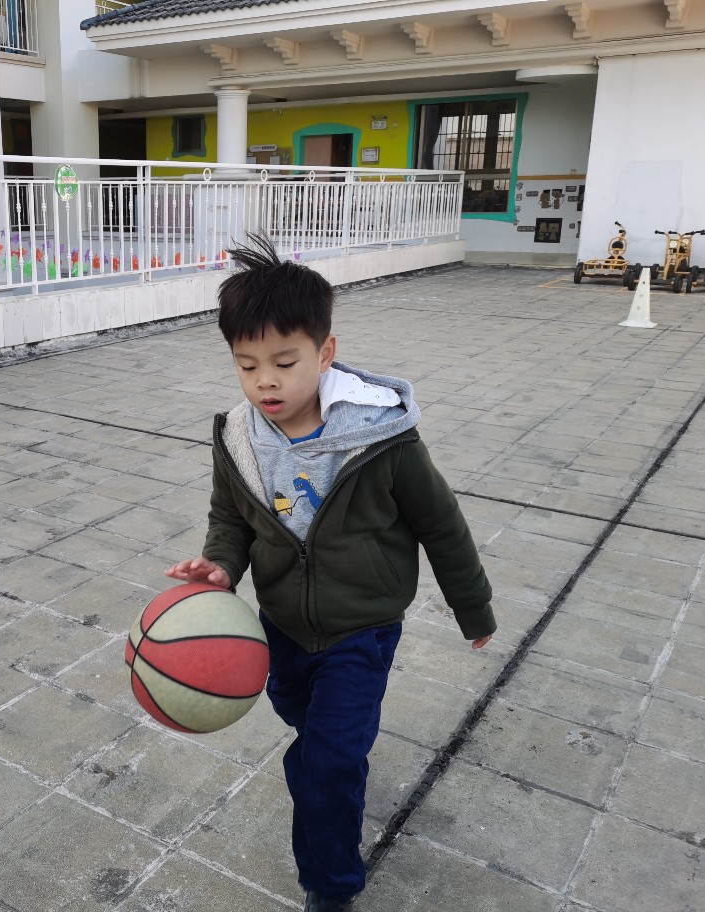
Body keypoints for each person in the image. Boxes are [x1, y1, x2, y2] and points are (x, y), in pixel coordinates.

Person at [166, 233, 495, 912]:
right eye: (247, 365)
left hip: (361, 630)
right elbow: (230, 520)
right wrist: (219, 566)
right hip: (281, 627)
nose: (266, 381)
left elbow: (442, 525)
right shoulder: (238, 439)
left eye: (284, 363)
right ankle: (325, 767)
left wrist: (474, 609)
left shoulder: (382, 439)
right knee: (306, 726)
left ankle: (331, 885)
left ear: (325, 352)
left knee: (329, 761)